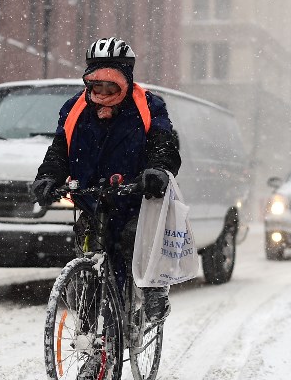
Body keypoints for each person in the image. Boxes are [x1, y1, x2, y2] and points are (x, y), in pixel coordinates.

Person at [32, 37, 181, 326]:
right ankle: (95, 350)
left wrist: (157, 171)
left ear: (125, 82)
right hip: (91, 200)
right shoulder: (74, 108)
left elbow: (164, 145)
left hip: (135, 197)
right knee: (89, 271)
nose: (102, 92)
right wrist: (48, 177)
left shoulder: (149, 106)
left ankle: (153, 290)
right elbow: (59, 150)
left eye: (110, 85)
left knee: (133, 242)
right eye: (95, 84)